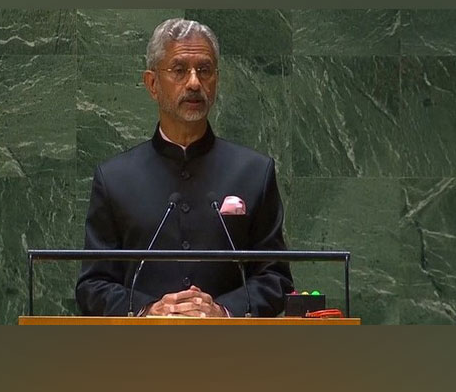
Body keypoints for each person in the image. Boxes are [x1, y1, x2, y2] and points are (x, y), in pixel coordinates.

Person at [76, 18, 293, 317]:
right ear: (152, 84)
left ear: (216, 80)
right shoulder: (114, 178)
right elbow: (93, 284)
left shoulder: (254, 172)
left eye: (204, 70)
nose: (194, 82)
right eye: (179, 70)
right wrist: (147, 310)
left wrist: (224, 311)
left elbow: (276, 279)